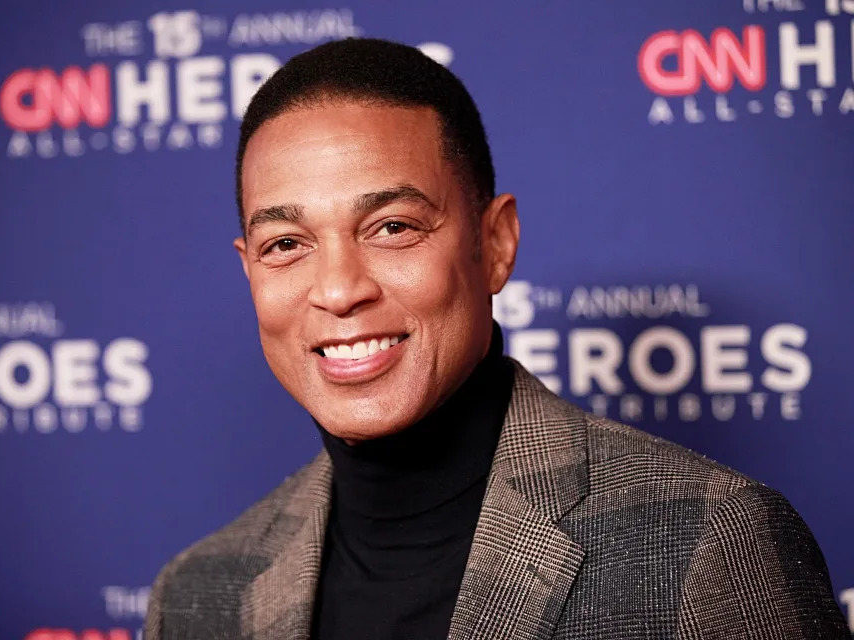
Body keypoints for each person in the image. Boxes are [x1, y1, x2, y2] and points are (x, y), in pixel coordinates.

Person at [145, 38, 846, 639]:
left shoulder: (709, 540)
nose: (337, 288)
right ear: (249, 268)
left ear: (495, 242)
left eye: (392, 227)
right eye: (287, 243)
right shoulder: (199, 595)